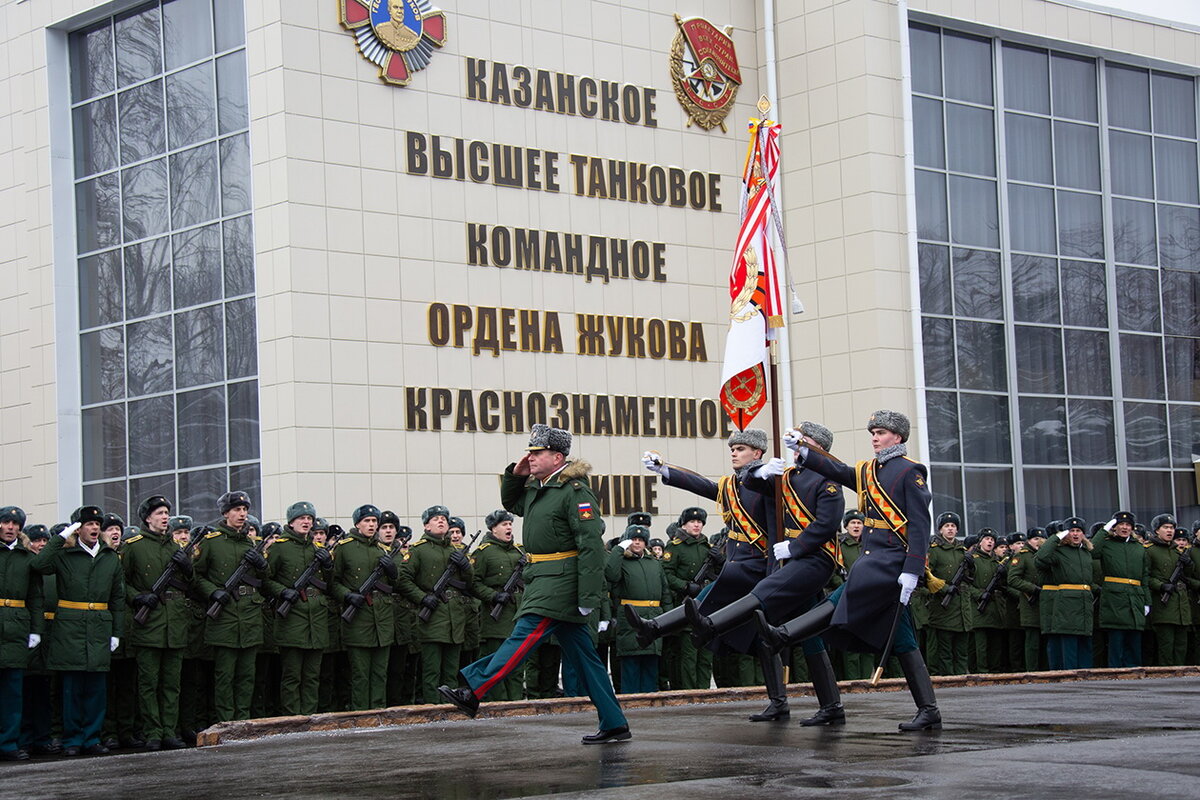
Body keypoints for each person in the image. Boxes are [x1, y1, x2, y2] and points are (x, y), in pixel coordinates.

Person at [439, 423, 630, 744]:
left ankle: (474, 689)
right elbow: (512, 503)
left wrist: (588, 595)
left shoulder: (575, 492)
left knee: (524, 634)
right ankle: (614, 722)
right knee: (586, 659)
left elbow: (590, 546)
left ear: (557, 457)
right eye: (530, 451)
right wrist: (515, 473)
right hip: (541, 579)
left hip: (561, 583)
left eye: (537, 452)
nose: (531, 457)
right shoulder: (540, 490)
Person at [754, 410, 941, 731]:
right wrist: (804, 450)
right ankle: (929, 709)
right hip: (873, 562)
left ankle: (783, 634)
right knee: (903, 637)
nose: (874, 438)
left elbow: (920, 526)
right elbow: (835, 468)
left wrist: (913, 569)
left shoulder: (911, 472)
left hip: (891, 564)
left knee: (841, 597)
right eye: (873, 432)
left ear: (897, 437)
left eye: (881, 432)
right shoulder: (868, 470)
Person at [683, 421, 846, 726]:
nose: (797, 444)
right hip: (788, 566)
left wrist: (793, 548)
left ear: (819, 447)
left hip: (809, 563)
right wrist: (759, 471)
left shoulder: (826, 480)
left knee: (775, 623)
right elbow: (753, 485)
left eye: (805, 440)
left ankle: (711, 624)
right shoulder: (789, 476)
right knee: (800, 636)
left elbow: (825, 524)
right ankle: (799, 703)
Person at [629, 429, 782, 719]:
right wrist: (666, 470)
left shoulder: (766, 482)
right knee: (704, 605)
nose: (734, 453)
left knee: (767, 636)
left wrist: (776, 571)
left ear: (758, 453)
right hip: (738, 568)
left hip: (759, 568)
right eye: (732, 448)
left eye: (741, 448)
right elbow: (702, 486)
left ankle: (785, 701)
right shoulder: (731, 485)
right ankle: (653, 628)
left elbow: (774, 530)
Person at [31, 506, 124, 756]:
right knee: (72, 688)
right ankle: (72, 739)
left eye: (97, 524)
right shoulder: (64, 555)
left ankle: (92, 737)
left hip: (99, 626)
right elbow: (39, 564)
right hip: (70, 627)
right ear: (78, 529)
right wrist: (60, 538)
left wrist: (116, 632)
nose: (94, 527)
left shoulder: (109, 557)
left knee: (96, 688)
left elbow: (117, 597)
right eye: (88, 524)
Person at [121, 495, 193, 750]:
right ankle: (153, 732)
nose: (165, 517)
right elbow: (121, 583)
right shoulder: (133, 546)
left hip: (174, 623)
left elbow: (190, 586)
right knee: (149, 683)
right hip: (148, 622)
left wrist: (188, 567)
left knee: (171, 684)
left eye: (166, 513)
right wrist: (137, 597)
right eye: (160, 513)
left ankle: (169, 731)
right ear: (148, 518)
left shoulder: (175, 547)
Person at [193, 491, 269, 722]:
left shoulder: (252, 543)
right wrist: (213, 592)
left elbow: (265, 580)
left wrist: (262, 565)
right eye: (237, 510)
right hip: (224, 616)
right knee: (225, 675)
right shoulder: (212, 543)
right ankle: (226, 720)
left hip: (249, 616)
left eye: (245, 510)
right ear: (226, 513)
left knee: (247, 675)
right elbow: (196, 576)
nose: (242, 514)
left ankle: (243, 719)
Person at [398, 505, 476, 704]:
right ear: (426, 526)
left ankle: (451, 707)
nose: (441, 521)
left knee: (451, 670)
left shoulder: (455, 551)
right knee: (432, 671)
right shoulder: (419, 550)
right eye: (435, 519)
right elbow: (403, 580)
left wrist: (466, 567)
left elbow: (469, 584)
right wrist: (422, 598)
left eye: (444, 518)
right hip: (432, 617)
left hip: (455, 619)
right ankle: (433, 707)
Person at [264, 501, 331, 716]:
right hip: (292, 617)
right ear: (291, 522)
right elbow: (266, 580)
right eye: (302, 518)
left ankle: (310, 715)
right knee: (292, 675)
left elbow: (330, 584)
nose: (306, 522)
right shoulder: (280, 548)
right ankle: (292, 717)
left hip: (316, 618)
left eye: (309, 518)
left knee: (312, 675)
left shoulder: (317, 549)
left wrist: (328, 565)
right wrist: (283, 591)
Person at [331, 504, 395, 711]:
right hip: (358, 618)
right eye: (367, 521)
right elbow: (333, 581)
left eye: (374, 521)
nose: (371, 525)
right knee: (360, 674)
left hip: (382, 620)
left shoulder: (382, 549)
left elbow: (395, 585)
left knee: (380, 673)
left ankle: (379, 712)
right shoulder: (345, 548)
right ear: (357, 523)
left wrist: (393, 571)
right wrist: (347, 596)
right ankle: (361, 713)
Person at [606, 524, 671, 694]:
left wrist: (669, 617)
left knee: (651, 667)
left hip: (654, 616)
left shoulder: (654, 564)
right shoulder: (621, 562)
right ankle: (631, 706)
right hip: (630, 619)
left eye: (641, 540)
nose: (637, 543)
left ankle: (650, 707)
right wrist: (618, 551)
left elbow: (665, 591)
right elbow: (610, 575)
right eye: (633, 539)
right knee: (631, 666)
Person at [1, 506, 42, 761]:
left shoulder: (27, 558)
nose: (10, 527)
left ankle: (8, 743)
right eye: (6, 522)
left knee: (13, 692)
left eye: (16, 524)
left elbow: (36, 598)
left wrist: (36, 630)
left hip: (17, 626)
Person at [470, 509, 525, 701]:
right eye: (504, 524)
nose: (509, 527)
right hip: (495, 618)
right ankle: (498, 704)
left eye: (510, 523)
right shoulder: (483, 552)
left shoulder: (520, 551)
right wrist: (493, 596)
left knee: (517, 666)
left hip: (517, 614)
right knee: (496, 663)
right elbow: (473, 583)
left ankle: (517, 703)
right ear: (493, 529)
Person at [661, 507, 715, 690]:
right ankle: (691, 692)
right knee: (689, 657)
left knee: (706, 657)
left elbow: (717, 575)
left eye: (700, 522)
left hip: (706, 608)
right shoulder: (675, 547)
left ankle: (705, 691)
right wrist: (684, 586)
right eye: (693, 521)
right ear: (684, 524)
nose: (697, 525)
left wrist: (721, 561)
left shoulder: (708, 548)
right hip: (686, 607)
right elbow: (666, 574)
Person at [1034, 516, 1094, 670]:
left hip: (1084, 602)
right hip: (1067, 601)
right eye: (1071, 531)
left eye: (1078, 531)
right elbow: (1041, 557)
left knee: (1084, 642)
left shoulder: (1086, 552)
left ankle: (1086, 675)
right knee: (1068, 643)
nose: (1075, 534)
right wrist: (1057, 537)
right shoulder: (1059, 551)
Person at [1090, 511, 1148, 668]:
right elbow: (1092, 551)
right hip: (1114, 598)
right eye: (1121, 524)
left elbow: (1145, 577)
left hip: (1135, 598)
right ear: (1114, 527)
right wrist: (1104, 530)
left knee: (1134, 641)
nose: (1125, 527)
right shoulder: (1107, 543)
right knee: (1116, 641)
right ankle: (1115, 674)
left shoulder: (1139, 548)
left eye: (1128, 525)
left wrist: (1146, 602)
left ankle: (1135, 673)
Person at [926, 512, 972, 675]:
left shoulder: (962, 551)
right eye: (947, 526)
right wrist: (945, 588)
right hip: (943, 608)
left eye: (953, 526)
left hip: (962, 609)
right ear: (940, 530)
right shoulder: (935, 551)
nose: (950, 529)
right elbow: (925, 574)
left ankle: (961, 679)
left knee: (961, 651)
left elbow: (970, 577)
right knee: (945, 652)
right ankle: (949, 680)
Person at [1146, 514, 1191, 666]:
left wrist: (1189, 563)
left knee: (1181, 647)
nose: (1169, 531)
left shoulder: (1178, 552)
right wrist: (1161, 586)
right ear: (1157, 530)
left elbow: (1189, 576)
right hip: (1163, 607)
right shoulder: (1150, 551)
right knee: (1166, 648)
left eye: (1172, 528)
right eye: (1165, 527)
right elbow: (1146, 576)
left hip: (1181, 607)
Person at [1007, 527, 1046, 671]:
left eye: (1041, 539)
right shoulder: (1023, 556)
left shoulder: (1044, 555)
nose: (1039, 542)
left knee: (1044, 643)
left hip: (1045, 604)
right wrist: (1033, 589)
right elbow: (1013, 579)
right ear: (1029, 541)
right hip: (1031, 605)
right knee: (1033, 644)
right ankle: (1032, 672)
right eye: (1035, 539)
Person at [971, 529, 1006, 674]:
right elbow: (966, 584)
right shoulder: (972, 559)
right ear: (980, 542)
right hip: (979, 607)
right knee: (981, 646)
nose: (990, 541)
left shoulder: (997, 562)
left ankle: (995, 671)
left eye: (992, 539)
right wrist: (979, 594)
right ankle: (982, 671)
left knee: (996, 645)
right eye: (987, 539)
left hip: (995, 608)